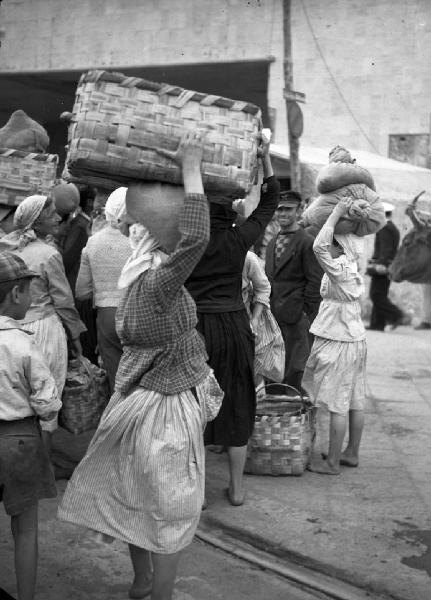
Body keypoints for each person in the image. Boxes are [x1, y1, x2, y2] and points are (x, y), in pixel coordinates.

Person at [58, 132, 223, 600]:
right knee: (171, 509)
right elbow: (197, 236)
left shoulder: (135, 280)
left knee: (135, 497)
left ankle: (142, 582)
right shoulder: (157, 284)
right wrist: (192, 168)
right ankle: (162, 596)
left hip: (133, 401)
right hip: (165, 411)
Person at [185, 137, 279, 506]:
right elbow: (270, 202)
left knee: (194, 406)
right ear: (230, 216)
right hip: (235, 327)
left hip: (194, 330)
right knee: (238, 400)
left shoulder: (188, 240)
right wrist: (266, 159)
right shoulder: (240, 240)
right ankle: (237, 489)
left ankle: (199, 494)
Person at [0, 251, 61, 600]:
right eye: (29, 289)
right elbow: (47, 403)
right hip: (19, 439)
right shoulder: (23, 343)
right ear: (15, 295)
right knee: (25, 530)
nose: (33, 296)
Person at [0, 195, 86, 441]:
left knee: (15, 397)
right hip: (44, 331)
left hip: (9, 328)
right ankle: (43, 461)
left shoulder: (7, 247)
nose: (58, 218)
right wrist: (75, 335)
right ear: (36, 223)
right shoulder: (48, 254)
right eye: (52, 215)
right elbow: (64, 302)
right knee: (47, 400)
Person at [302, 199, 367, 475]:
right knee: (354, 399)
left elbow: (318, 245)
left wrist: (337, 214)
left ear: (342, 247)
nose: (331, 244)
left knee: (338, 404)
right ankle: (350, 453)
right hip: (355, 339)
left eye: (335, 243)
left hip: (338, 338)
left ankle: (332, 463)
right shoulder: (352, 267)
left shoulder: (339, 268)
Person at [75, 187, 132, 393]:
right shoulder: (142, 240)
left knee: (117, 380)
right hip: (137, 313)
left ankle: (119, 420)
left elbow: (81, 292)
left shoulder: (93, 242)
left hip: (107, 317)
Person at [265, 190, 322, 391]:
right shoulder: (272, 243)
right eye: (279, 209)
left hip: (297, 317)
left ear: (299, 211)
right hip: (274, 317)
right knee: (272, 367)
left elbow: (315, 281)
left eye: (288, 209)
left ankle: (295, 413)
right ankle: (274, 414)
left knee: (295, 369)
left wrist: (305, 311)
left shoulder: (306, 242)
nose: (283, 214)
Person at [367, 202, 404, 331]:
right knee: (379, 293)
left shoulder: (385, 228)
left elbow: (386, 249)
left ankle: (397, 315)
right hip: (386, 265)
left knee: (376, 295)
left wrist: (381, 265)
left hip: (383, 266)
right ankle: (377, 324)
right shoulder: (390, 227)